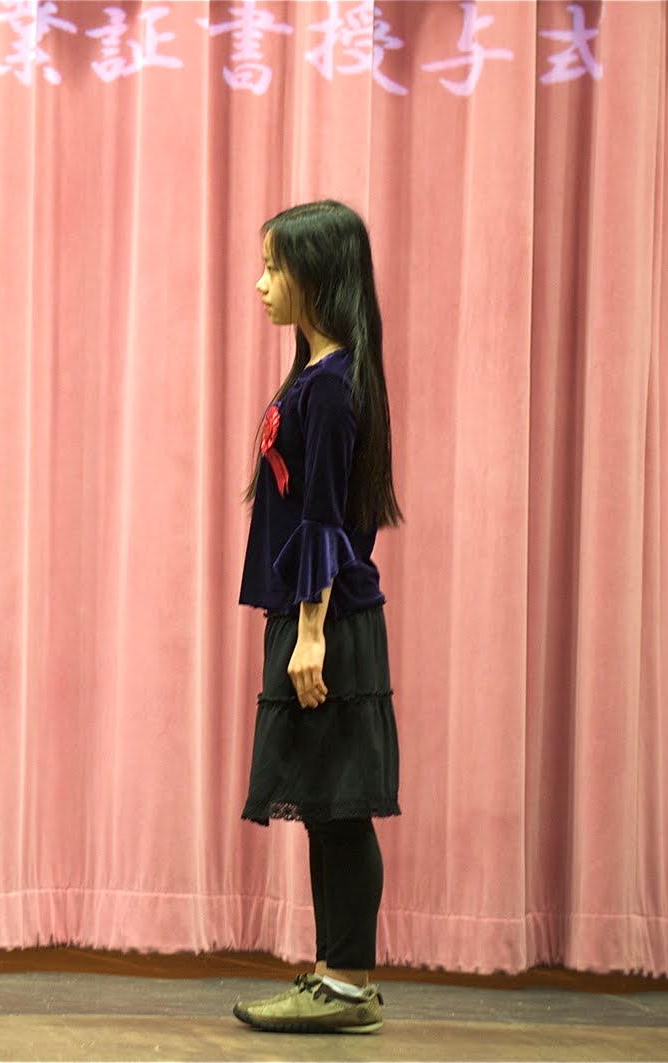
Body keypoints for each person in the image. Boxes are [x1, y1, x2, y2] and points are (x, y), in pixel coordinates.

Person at [231, 200, 402, 1034]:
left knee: (340, 806)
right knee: (327, 805)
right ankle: (336, 976)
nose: (261, 284)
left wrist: (307, 634)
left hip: (327, 623)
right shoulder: (320, 374)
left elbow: (328, 521)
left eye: (273, 266)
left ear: (317, 277)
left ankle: (344, 982)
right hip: (313, 615)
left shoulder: (333, 389)